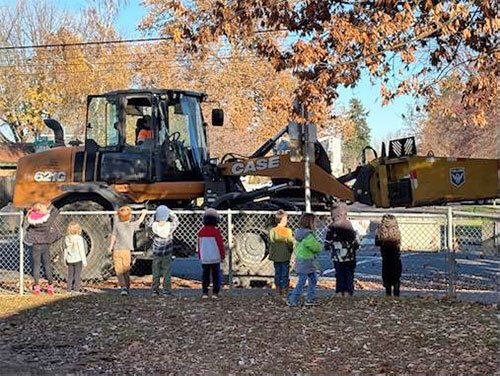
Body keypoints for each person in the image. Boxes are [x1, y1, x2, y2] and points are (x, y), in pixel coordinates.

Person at [109, 206, 148, 296]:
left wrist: (110, 247)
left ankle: (123, 287)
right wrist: (143, 214)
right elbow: (139, 221)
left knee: (118, 270)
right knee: (126, 269)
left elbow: (113, 236)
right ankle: (127, 286)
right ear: (130, 216)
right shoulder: (131, 225)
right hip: (127, 250)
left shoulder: (117, 225)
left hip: (117, 249)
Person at [24, 202, 61, 296]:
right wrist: (50, 206)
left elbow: (26, 211)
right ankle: (50, 287)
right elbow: (56, 210)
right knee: (47, 266)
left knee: (36, 266)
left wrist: (31, 209)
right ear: (41, 210)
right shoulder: (48, 219)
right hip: (46, 244)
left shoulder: (31, 219)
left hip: (35, 245)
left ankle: (36, 288)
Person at [325, 202, 359, 297]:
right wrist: (355, 246)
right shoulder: (348, 224)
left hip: (337, 255)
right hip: (349, 254)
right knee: (349, 273)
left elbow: (328, 239)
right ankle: (348, 291)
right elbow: (354, 239)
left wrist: (327, 246)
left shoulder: (333, 226)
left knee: (339, 273)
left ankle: (339, 291)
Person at [288, 213, 322, 307]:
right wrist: (320, 246)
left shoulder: (299, 233)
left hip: (301, 260)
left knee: (310, 279)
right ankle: (294, 298)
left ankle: (308, 298)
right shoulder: (308, 235)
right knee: (304, 281)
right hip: (307, 261)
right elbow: (315, 247)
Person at [147, 205, 179, 297]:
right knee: (166, 272)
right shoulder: (169, 227)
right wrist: (171, 213)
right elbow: (176, 221)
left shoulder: (154, 227)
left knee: (155, 272)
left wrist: (154, 215)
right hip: (167, 253)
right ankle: (166, 291)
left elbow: (149, 224)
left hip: (157, 253)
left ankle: (155, 291)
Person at [197, 208, 225, 299]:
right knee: (215, 275)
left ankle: (205, 292)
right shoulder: (216, 232)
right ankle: (215, 293)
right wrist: (222, 255)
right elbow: (220, 245)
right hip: (215, 257)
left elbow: (199, 245)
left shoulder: (201, 232)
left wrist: (200, 256)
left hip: (205, 257)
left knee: (205, 275)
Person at [268, 209, 294, 296]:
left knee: (277, 272)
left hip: (275, 255)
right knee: (285, 273)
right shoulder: (287, 231)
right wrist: (291, 249)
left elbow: (270, 241)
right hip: (285, 255)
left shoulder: (272, 231)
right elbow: (290, 242)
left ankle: (278, 288)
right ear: (283, 220)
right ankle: (284, 290)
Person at [375, 214, 402, 297]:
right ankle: (397, 293)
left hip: (386, 258)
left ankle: (388, 293)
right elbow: (398, 242)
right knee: (396, 276)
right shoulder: (396, 233)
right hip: (396, 257)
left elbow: (377, 243)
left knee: (387, 276)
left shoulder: (382, 234)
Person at [64, 222, 87, 293]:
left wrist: (65, 259)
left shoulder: (67, 238)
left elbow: (66, 249)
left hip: (70, 259)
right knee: (77, 275)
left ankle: (68, 290)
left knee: (70, 275)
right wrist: (84, 261)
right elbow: (81, 250)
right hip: (78, 259)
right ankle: (76, 290)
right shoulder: (79, 238)